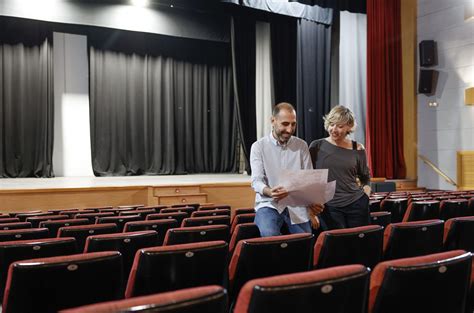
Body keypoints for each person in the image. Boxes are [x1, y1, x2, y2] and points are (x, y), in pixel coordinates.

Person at [250, 102, 323, 237]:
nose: (289, 129)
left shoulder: (302, 145)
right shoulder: (258, 147)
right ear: (273, 121)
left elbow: (308, 179)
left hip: (296, 205)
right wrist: (270, 192)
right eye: (285, 124)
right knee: (269, 235)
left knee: (306, 239)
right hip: (269, 204)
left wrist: (312, 206)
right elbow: (257, 181)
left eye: (293, 124)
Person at [309, 105, 371, 230]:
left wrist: (366, 196)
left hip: (357, 204)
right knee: (337, 246)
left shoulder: (357, 148)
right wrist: (311, 210)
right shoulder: (316, 146)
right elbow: (309, 178)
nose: (334, 129)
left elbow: (365, 177)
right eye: (331, 124)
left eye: (340, 126)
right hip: (328, 207)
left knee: (359, 246)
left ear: (349, 126)